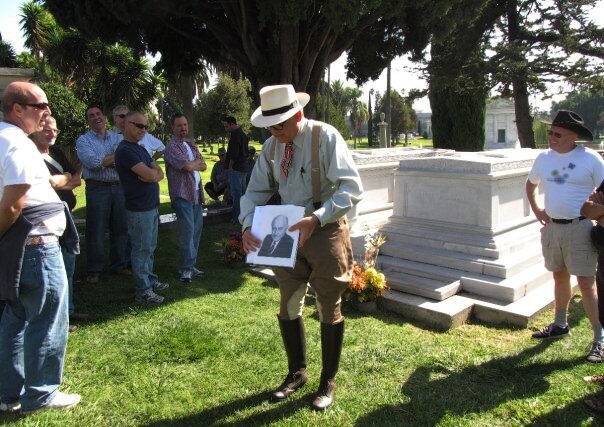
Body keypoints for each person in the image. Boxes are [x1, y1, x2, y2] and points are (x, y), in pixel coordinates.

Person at [240, 84, 363, 410]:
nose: (274, 132)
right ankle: (297, 373)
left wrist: (317, 218)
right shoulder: (270, 148)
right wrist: (247, 226)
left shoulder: (325, 137)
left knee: (327, 306)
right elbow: (254, 193)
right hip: (286, 235)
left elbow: (351, 188)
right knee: (289, 304)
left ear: (298, 114)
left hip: (324, 232)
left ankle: (327, 381)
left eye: (279, 125)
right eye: (269, 126)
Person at [0, 81, 81, 414]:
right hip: (35, 244)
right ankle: (41, 393)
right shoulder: (16, 142)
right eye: (41, 106)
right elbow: (14, 201)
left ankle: (8, 394)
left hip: (21, 245)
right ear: (18, 109)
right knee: (47, 317)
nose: (47, 112)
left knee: (16, 317)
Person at [526, 110, 604, 363]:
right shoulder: (543, 158)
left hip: (580, 227)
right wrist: (538, 209)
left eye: (557, 133)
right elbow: (531, 184)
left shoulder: (590, 159)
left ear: (573, 137)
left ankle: (599, 339)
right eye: (550, 132)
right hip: (552, 229)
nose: (551, 137)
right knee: (559, 276)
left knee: (585, 283)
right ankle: (560, 324)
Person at [31, 116, 87, 330]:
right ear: (35, 129)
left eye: (55, 130)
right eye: (47, 129)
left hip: (66, 215)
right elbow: (48, 183)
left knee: (68, 265)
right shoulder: (30, 155)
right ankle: (54, 318)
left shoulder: (56, 153)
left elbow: (76, 180)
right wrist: (64, 179)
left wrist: (62, 180)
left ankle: (68, 311)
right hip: (45, 222)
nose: (52, 133)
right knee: (51, 271)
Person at [114, 111, 168, 304]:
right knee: (141, 248)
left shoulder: (141, 149)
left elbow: (158, 173)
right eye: (139, 126)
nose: (143, 130)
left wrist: (151, 174)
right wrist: (151, 174)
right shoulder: (125, 151)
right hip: (138, 208)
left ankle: (150, 281)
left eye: (145, 127)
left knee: (150, 246)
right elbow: (151, 173)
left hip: (150, 205)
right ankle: (143, 290)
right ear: (126, 124)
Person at [76, 104, 130, 284]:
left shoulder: (117, 137)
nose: (96, 117)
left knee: (120, 229)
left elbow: (126, 159)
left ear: (105, 117)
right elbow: (93, 163)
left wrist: (109, 159)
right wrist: (116, 155)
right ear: (88, 120)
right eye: (91, 115)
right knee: (96, 230)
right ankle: (94, 270)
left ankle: (119, 264)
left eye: (99, 113)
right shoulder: (83, 141)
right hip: (97, 188)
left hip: (119, 186)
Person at [164, 113, 207, 283]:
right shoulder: (172, 147)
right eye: (179, 125)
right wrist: (194, 163)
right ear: (173, 128)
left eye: (185, 125)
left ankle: (191, 265)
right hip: (182, 194)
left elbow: (202, 165)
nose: (183, 128)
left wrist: (194, 163)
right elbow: (188, 166)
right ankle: (185, 269)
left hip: (196, 193)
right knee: (187, 232)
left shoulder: (191, 145)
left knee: (196, 231)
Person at [222, 116, 249, 222]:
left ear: (232, 124)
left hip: (236, 168)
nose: (226, 128)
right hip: (243, 167)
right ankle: (245, 214)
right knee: (243, 193)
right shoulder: (243, 135)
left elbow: (234, 154)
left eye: (226, 126)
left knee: (236, 193)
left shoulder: (235, 136)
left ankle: (237, 216)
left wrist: (230, 167)